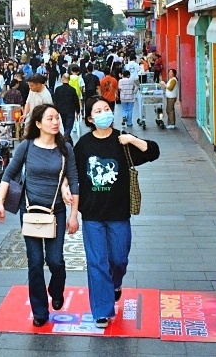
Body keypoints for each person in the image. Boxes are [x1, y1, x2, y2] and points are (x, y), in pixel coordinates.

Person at [74, 96, 160, 327]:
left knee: (119, 259)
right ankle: (102, 310)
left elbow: (153, 152)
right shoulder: (83, 145)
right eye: (98, 110)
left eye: (106, 109)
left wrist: (132, 138)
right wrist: (72, 207)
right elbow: (73, 176)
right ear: (90, 118)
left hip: (119, 213)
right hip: (92, 214)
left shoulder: (122, 140)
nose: (104, 113)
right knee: (97, 261)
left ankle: (115, 284)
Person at [0, 104, 80, 327]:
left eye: (57, 118)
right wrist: (0, 203)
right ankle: (40, 311)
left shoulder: (65, 148)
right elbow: (9, 174)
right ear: (38, 123)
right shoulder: (27, 146)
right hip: (30, 211)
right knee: (35, 262)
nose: (55, 122)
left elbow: (74, 179)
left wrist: (74, 215)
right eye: (50, 118)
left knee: (56, 260)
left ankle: (56, 288)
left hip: (57, 211)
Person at [52, 74, 80, 140]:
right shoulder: (72, 90)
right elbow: (76, 101)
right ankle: (66, 138)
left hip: (61, 110)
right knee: (69, 126)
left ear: (62, 79)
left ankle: (66, 139)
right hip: (70, 110)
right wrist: (78, 110)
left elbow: (55, 100)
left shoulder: (58, 89)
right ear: (69, 80)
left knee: (64, 125)